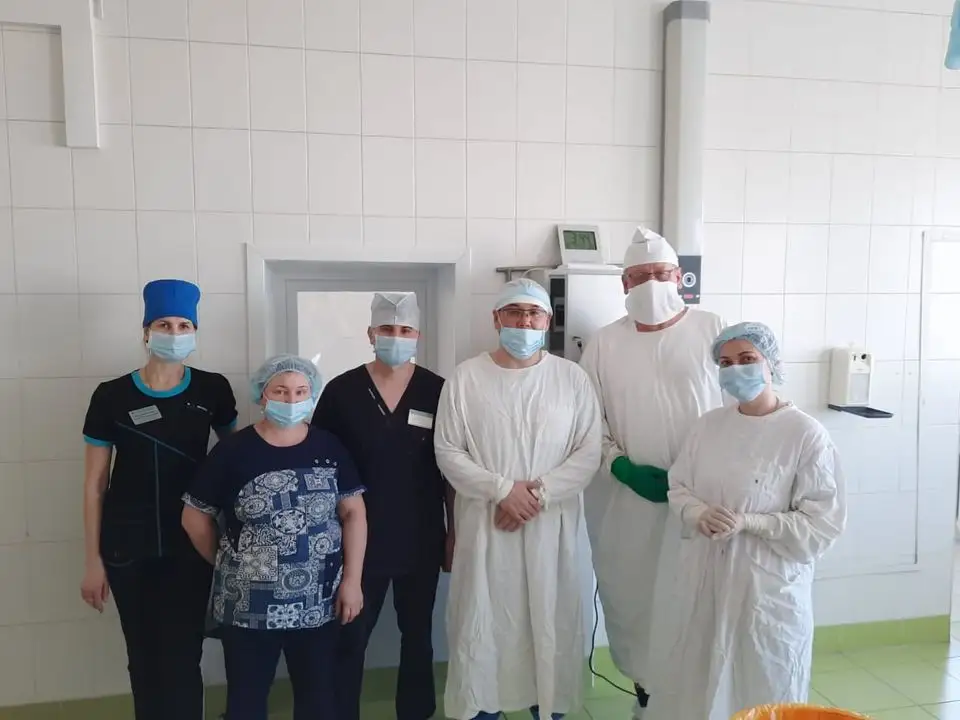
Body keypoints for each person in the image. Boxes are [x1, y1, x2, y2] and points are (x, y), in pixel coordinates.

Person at [647, 322, 846, 720]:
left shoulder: (804, 434)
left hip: (765, 589)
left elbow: (821, 524)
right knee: (695, 680)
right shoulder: (708, 426)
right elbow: (679, 486)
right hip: (704, 578)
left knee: (762, 685)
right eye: (725, 362)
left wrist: (751, 522)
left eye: (747, 359)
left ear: (771, 363)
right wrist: (698, 512)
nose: (735, 369)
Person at [434, 278, 602, 720]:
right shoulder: (466, 378)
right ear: (496, 319)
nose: (524, 322)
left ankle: (548, 709)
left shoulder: (571, 379)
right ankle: (481, 709)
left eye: (534, 314)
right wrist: (503, 491)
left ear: (548, 321)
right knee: (484, 622)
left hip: (550, 529)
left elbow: (588, 452)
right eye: (514, 312)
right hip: (486, 527)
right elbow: (448, 450)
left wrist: (536, 496)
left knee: (549, 621)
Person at [578, 227, 724, 717]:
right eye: (639, 276)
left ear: (679, 277)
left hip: (705, 502)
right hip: (631, 506)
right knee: (638, 601)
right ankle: (646, 698)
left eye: (660, 274)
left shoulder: (713, 330)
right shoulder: (603, 345)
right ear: (624, 284)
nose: (651, 284)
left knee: (698, 603)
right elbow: (589, 422)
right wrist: (620, 466)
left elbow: (740, 411)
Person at [79, 279, 238, 720]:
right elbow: (94, 483)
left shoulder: (212, 390)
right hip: (127, 547)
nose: (174, 332)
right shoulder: (111, 396)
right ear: (146, 331)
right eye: (164, 324)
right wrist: (92, 561)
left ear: (195, 331)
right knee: (143, 656)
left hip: (191, 543)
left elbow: (238, 461)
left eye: (184, 325)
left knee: (184, 655)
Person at [181, 354, 367, 720]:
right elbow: (194, 517)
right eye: (280, 391)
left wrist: (352, 581)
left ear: (312, 395)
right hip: (249, 606)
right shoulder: (234, 450)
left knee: (319, 700)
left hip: (318, 602)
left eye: (300, 391)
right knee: (246, 701)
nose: (291, 399)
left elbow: (354, 513)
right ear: (262, 395)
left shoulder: (329, 447)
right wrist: (230, 561)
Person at [311, 291, 453, 720]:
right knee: (350, 637)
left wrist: (454, 534)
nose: (396, 337)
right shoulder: (342, 392)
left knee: (418, 636)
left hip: (421, 535)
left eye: (405, 330)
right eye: (387, 329)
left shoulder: (438, 391)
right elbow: (320, 468)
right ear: (370, 334)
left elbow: (451, 470)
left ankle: (416, 712)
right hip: (358, 541)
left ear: (418, 336)